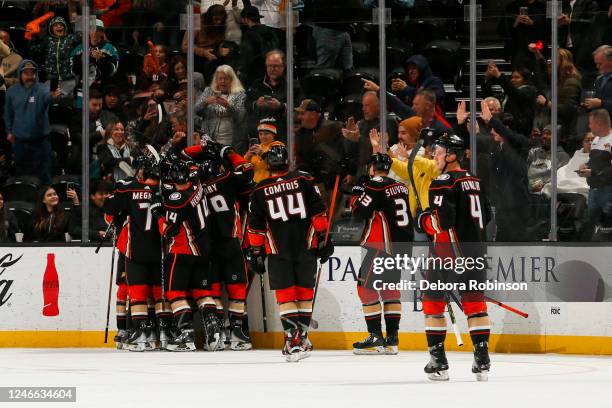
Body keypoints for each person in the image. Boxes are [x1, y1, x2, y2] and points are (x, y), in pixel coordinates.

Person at [415, 133, 492, 382]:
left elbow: (441, 222)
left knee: (432, 304)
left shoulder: (443, 182)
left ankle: (438, 362)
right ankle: (482, 360)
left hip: (447, 254)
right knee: (475, 304)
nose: (435, 155)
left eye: (439, 151)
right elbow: (487, 217)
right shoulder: (475, 181)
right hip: (476, 251)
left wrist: (423, 219)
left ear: (452, 155)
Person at [247, 144, 333, 361]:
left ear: (268, 165)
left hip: (277, 249)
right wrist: (324, 238)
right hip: (306, 245)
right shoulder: (304, 180)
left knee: (286, 295)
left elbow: (255, 226)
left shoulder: (259, 190)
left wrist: (255, 251)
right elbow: (319, 212)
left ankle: (292, 340)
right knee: (304, 292)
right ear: (288, 162)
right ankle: (301, 338)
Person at [182, 139, 255, 350]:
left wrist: (201, 148)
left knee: (213, 290)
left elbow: (183, 155)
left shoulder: (194, 188)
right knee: (236, 287)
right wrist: (227, 151)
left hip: (206, 244)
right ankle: (236, 332)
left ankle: (218, 334)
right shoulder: (228, 178)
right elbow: (247, 169)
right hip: (230, 241)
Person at [103, 153, 171, 352]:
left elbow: (108, 208)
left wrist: (120, 189)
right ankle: (163, 334)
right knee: (160, 293)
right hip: (160, 248)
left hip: (135, 249)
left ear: (142, 171)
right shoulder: (166, 190)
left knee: (137, 292)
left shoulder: (130, 188)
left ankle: (140, 333)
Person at [349, 153, 412, 355]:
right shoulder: (400, 185)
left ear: (372, 168)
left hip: (381, 245)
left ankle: (375, 337)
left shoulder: (375, 184)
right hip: (401, 245)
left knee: (364, 288)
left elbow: (359, 211)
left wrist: (355, 195)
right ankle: (392, 339)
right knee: (389, 289)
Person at [4, 60, 61, 185]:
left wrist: (54, 96)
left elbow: (49, 98)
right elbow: (8, 114)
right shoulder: (11, 92)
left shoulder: (42, 89)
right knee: (21, 174)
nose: (30, 77)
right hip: (20, 141)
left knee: (44, 173)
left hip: (40, 141)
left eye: (32, 73)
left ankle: (45, 200)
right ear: (20, 74)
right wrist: (8, 131)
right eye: (26, 73)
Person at [480, 100, 530, 242]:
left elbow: (510, 136)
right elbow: (474, 141)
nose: (491, 131)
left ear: (504, 128)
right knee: (502, 242)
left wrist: (492, 121)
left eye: (494, 128)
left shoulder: (520, 143)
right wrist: (461, 125)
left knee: (516, 244)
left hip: (517, 205)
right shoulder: (495, 145)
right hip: (502, 204)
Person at [196, 65, 248, 151]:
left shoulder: (240, 94)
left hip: (230, 140)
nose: (222, 81)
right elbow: (196, 110)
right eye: (220, 79)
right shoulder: (208, 91)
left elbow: (240, 116)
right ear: (216, 80)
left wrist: (228, 106)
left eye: (226, 79)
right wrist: (205, 102)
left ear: (232, 80)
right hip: (209, 137)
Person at [578, 109, 612, 239]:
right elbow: (593, 162)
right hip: (593, 191)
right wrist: (585, 166)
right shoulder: (596, 140)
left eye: (591, 123)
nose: (589, 126)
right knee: (592, 227)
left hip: (608, 192)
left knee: (607, 230)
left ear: (599, 123)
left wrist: (594, 172)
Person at [28, 16, 81, 98]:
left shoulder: (71, 38)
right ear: (51, 28)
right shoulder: (47, 40)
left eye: (61, 25)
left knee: (65, 101)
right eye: (56, 25)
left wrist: (74, 23)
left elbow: (82, 36)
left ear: (65, 27)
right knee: (46, 99)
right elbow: (34, 50)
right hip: (52, 79)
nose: (59, 27)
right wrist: (31, 35)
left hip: (68, 78)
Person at [483, 64, 537, 138]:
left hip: (520, 132)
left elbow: (516, 94)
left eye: (517, 77)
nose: (513, 80)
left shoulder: (529, 90)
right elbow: (489, 98)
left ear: (525, 80)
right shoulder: (509, 93)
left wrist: (499, 75)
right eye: (512, 77)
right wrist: (487, 79)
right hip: (508, 128)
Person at [246, 50, 288, 139]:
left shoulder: (291, 85)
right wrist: (256, 104)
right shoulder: (257, 84)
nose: (272, 69)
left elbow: (298, 108)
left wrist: (281, 106)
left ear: (283, 67)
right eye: (269, 66)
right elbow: (247, 104)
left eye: (276, 66)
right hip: (260, 135)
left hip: (283, 134)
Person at [238, 5, 282, 85]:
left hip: (254, 74)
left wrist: (241, 71)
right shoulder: (270, 32)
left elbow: (247, 57)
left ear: (246, 19)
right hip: (272, 72)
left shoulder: (248, 35)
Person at [244, 117, 284, 182]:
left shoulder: (278, 146)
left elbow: (277, 164)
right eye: (260, 134)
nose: (263, 136)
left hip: (271, 183)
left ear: (273, 135)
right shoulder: (257, 147)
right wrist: (248, 156)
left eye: (266, 134)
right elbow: (246, 167)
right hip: (256, 183)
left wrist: (262, 154)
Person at [584, 45, 612, 118]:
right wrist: (587, 106)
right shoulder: (599, 79)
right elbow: (596, 101)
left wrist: (601, 104)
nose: (597, 67)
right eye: (596, 64)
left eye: (600, 64)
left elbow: (600, 103)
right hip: (600, 123)